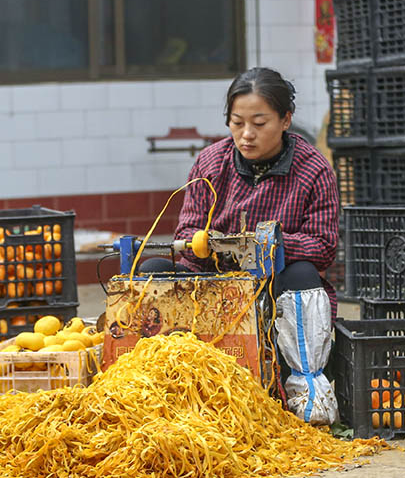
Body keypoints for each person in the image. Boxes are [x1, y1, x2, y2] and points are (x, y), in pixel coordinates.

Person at [140, 67, 340, 425]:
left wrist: (270, 245)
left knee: (305, 274)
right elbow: (188, 228)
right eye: (237, 123)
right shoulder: (211, 162)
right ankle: (155, 388)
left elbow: (323, 246)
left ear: (285, 120)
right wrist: (213, 246)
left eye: (259, 123)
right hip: (212, 281)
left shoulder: (313, 169)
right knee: (151, 274)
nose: (246, 135)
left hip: (272, 284)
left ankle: (301, 394)